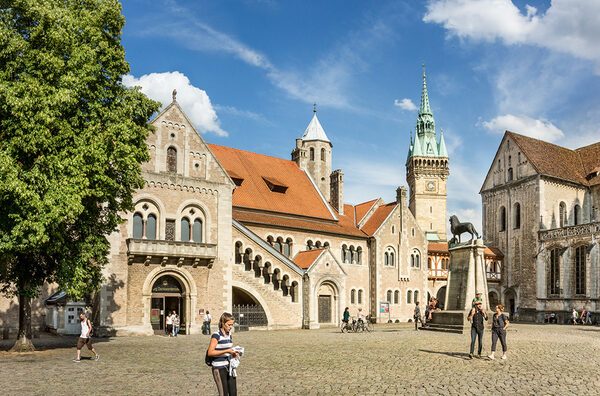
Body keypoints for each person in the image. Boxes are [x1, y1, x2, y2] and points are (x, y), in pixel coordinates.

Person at [207, 312, 239, 396]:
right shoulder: (216, 335)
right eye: (229, 325)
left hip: (229, 367)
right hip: (219, 367)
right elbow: (210, 352)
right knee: (223, 393)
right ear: (223, 323)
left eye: (232, 324)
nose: (231, 327)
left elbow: (228, 349)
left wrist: (233, 354)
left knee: (233, 392)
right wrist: (226, 351)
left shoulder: (229, 334)